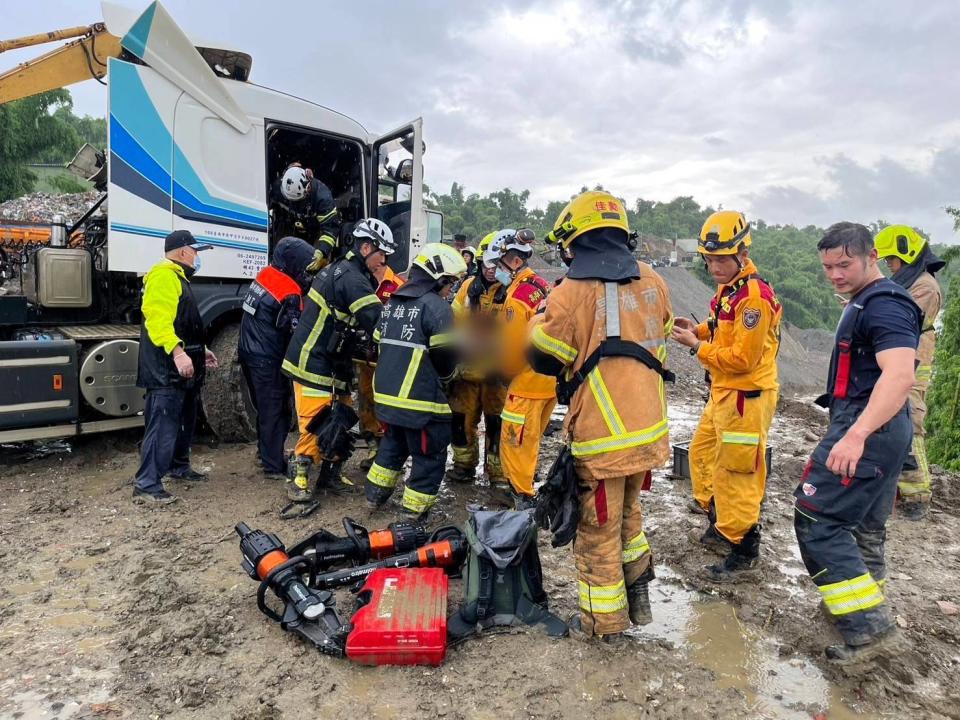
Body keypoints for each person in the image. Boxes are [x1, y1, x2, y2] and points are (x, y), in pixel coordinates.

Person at [531, 190, 674, 641]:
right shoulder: (653, 280)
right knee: (629, 516)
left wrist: (535, 322)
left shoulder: (569, 292)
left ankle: (604, 624)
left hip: (602, 439)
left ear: (576, 241)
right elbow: (662, 331)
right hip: (648, 430)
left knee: (595, 532)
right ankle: (640, 597)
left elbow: (544, 360)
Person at [795, 222, 920, 664]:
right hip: (882, 429)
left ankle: (868, 627)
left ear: (871, 258)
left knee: (816, 520)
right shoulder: (866, 301)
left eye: (844, 264)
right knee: (865, 526)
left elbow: (900, 375)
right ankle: (863, 605)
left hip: (871, 428)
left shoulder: (883, 305)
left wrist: (856, 434)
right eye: (828, 266)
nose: (834, 274)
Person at [670, 211, 783, 581]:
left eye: (721, 258)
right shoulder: (730, 290)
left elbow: (742, 358)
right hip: (724, 392)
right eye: (709, 258)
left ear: (741, 252)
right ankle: (720, 522)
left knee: (739, 470)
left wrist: (694, 349)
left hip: (744, 396)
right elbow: (723, 328)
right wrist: (699, 331)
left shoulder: (753, 298)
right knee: (703, 454)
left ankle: (744, 547)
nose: (714, 266)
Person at [280, 218, 396, 517]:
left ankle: (330, 476)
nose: (384, 262)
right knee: (316, 425)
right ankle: (298, 483)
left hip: (334, 362)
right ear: (366, 247)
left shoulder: (350, 272)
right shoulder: (351, 278)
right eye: (381, 254)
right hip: (313, 362)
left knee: (342, 420)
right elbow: (377, 322)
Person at [365, 243, 466, 517]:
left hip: (386, 398)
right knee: (428, 456)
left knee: (392, 447)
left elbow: (376, 344)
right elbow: (445, 360)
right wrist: (451, 376)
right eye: (450, 283)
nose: (450, 290)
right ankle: (413, 512)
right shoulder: (437, 308)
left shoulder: (392, 303)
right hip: (421, 405)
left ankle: (374, 496)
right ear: (439, 278)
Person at [133, 230, 218, 504]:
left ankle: (179, 467)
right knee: (163, 426)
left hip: (181, 370)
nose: (196, 257)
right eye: (195, 251)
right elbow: (158, 321)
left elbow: (182, 323)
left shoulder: (179, 279)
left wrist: (199, 350)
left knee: (183, 422)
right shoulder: (163, 277)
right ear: (183, 252)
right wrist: (178, 353)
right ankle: (146, 485)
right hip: (166, 371)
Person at [873, 225, 944, 520]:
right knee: (889, 420)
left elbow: (902, 318)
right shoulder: (911, 283)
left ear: (908, 255)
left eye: (892, 259)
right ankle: (896, 490)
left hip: (914, 363)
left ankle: (917, 496)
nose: (889, 265)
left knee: (911, 423)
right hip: (901, 360)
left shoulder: (925, 286)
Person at [238, 236, 316, 480]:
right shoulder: (289, 291)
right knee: (276, 410)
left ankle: (265, 453)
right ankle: (273, 465)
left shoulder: (266, 274)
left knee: (263, 408)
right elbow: (294, 331)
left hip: (248, 351)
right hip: (268, 357)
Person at [486, 230, 554, 506]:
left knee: (515, 445)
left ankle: (522, 498)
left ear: (513, 261)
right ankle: (526, 491)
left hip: (525, 384)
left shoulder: (516, 298)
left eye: (499, 265)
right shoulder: (541, 286)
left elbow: (513, 348)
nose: (495, 271)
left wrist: (502, 371)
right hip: (548, 381)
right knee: (532, 440)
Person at [447, 231, 507, 486]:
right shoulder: (468, 288)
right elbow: (453, 322)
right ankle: (463, 465)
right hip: (467, 372)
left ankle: (498, 474)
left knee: (497, 423)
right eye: (487, 264)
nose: (492, 270)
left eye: (497, 265)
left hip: (497, 373)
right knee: (461, 419)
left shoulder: (512, 291)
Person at [354, 263, 404, 470]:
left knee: (388, 403)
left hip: (388, 359)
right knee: (366, 399)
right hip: (364, 358)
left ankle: (390, 452)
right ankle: (373, 446)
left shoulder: (398, 286)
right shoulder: (360, 282)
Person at [269, 163, 341, 267]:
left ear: (307, 190)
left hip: (316, 230)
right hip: (289, 225)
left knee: (315, 264)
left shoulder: (323, 198)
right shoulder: (278, 188)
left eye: (297, 200)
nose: (294, 203)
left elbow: (330, 228)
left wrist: (322, 251)